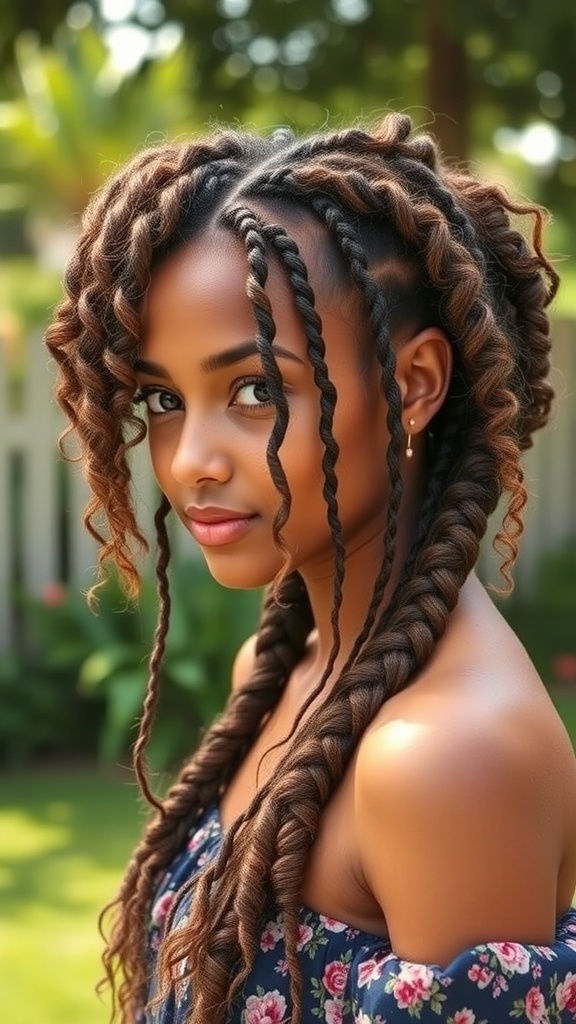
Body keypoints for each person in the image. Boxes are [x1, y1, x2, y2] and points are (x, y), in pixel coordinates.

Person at [45, 112, 576, 1023]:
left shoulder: (446, 760)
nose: (188, 462)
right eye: (165, 399)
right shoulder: (281, 669)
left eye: (255, 389)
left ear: (413, 386)